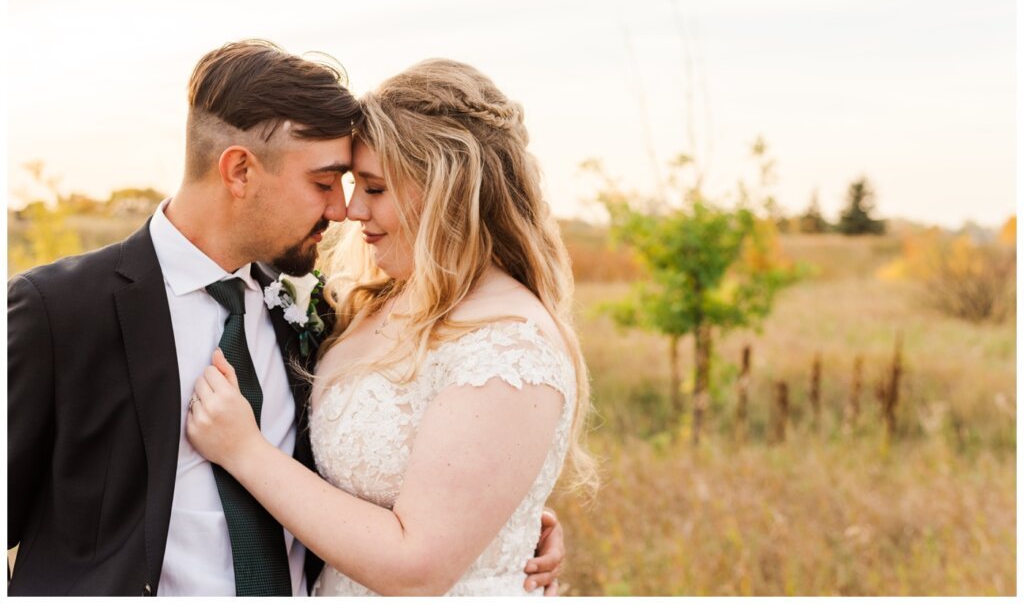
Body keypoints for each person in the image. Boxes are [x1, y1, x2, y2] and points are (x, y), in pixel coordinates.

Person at [7, 41, 564, 596]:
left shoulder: (308, 308)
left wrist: (497, 525)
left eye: (360, 186)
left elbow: (398, 467)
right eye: (325, 184)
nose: (341, 209)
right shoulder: (60, 311)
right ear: (240, 171)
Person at [186, 58, 596, 596]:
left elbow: (418, 565)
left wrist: (244, 451)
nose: (351, 210)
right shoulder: (376, 301)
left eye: (375, 189)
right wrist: (500, 514)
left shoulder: (509, 342)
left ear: (448, 190)